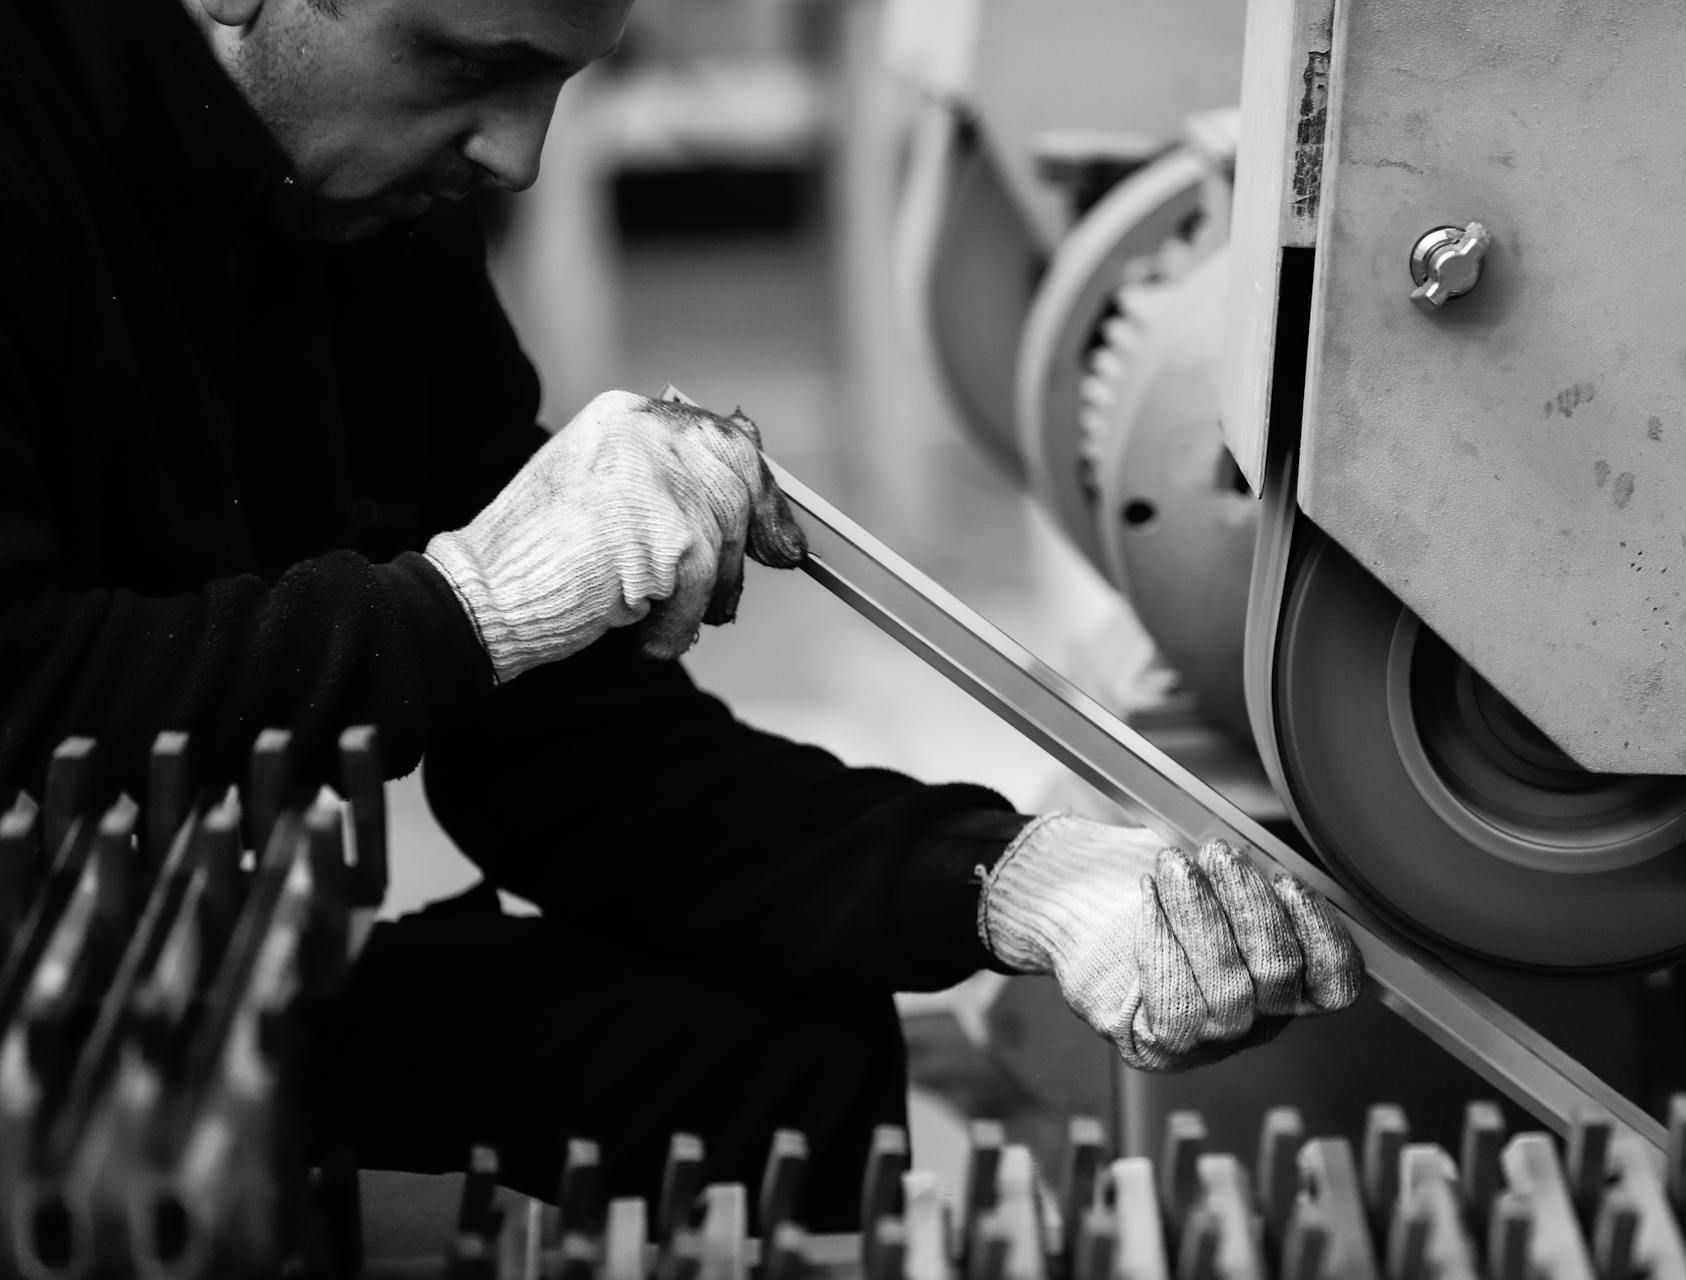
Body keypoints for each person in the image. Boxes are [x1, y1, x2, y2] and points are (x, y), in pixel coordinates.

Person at [0, 0, 1365, 1224]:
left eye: (564, 85)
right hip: (46, 1027)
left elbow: (578, 758)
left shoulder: (370, 219)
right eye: (478, 65)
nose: (517, 158)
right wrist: (470, 605)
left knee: (774, 1059)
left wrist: (1006, 882)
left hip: (168, 978)